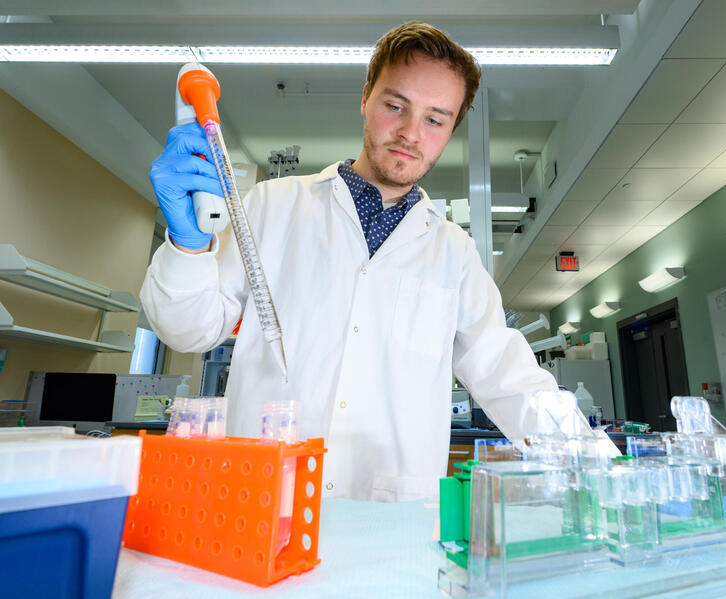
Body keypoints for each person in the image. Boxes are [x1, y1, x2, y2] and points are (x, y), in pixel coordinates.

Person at [141, 22, 558, 502]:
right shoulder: (270, 207)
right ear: (365, 98)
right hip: (263, 505)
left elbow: (511, 377)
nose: (409, 133)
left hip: (391, 523)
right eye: (395, 105)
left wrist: (598, 463)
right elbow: (189, 330)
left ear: (450, 131)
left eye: (435, 119)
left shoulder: (455, 255)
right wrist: (187, 245)